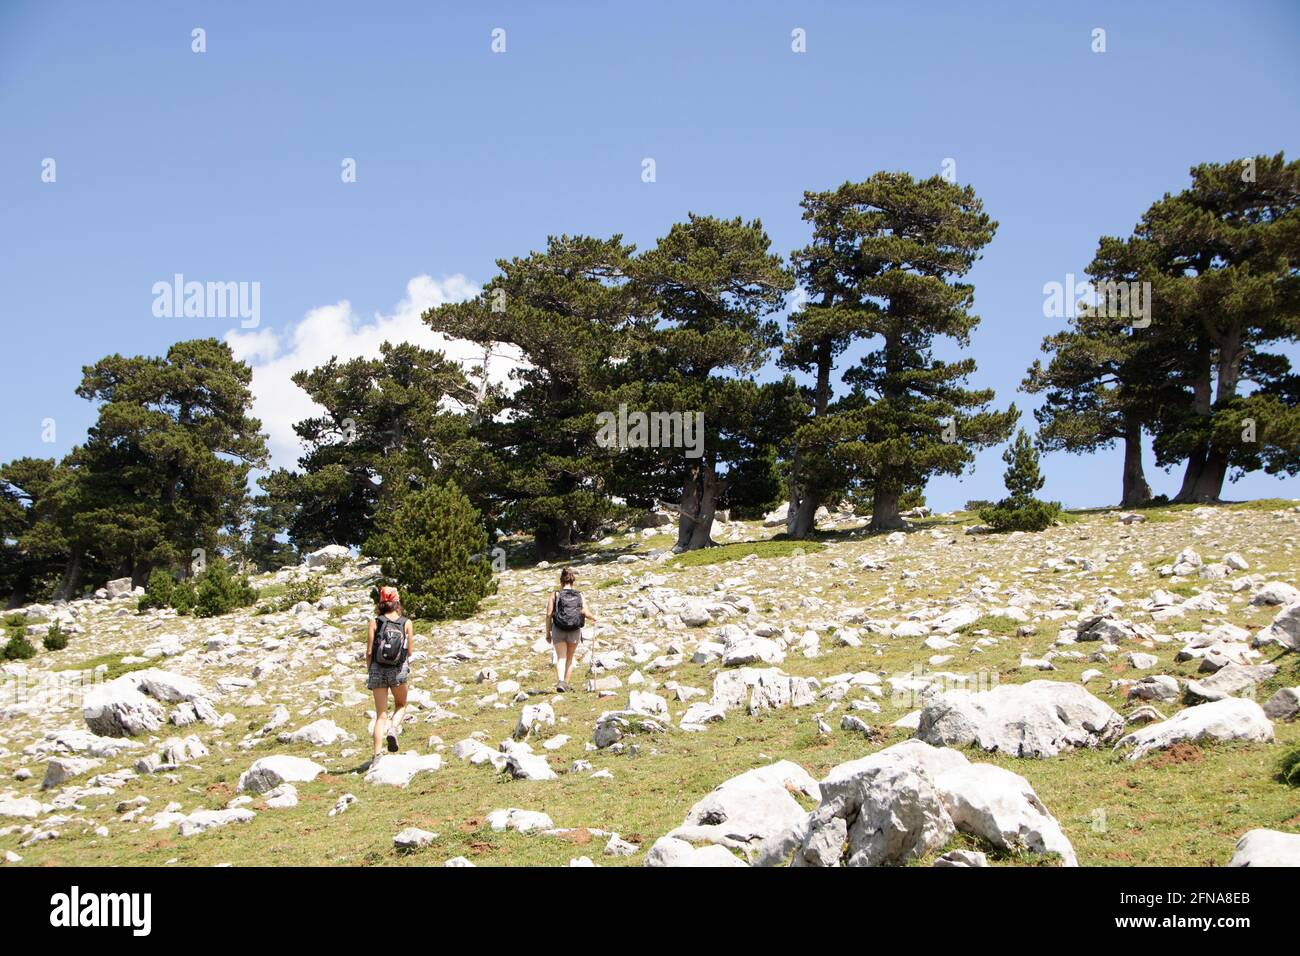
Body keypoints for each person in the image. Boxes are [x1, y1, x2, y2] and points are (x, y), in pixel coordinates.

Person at [366, 585, 413, 760]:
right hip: (398, 670)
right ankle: (393, 729)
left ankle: (377, 754)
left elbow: (370, 652)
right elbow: (409, 652)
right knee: (401, 704)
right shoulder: (406, 622)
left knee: (380, 715)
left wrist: (371, 670)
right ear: (397, 601)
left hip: (377, 669)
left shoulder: (375, 622)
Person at [545, 567, 596, 692]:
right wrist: (594, 617)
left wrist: (548, 632)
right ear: (573, 581)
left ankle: (561, 683)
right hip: (574, 629)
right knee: (570, 658)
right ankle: (566, 684)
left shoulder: (555, 594)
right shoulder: (579, 595)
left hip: (559, 628)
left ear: (561, 581)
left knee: (561, 657)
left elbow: (548, 614)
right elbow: (584, 611)